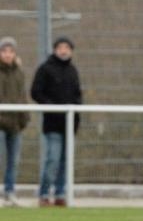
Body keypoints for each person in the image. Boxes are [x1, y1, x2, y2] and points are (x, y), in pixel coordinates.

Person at [31, 36, 82, 207]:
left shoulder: (73, 71)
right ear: (55, 49)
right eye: (60, 47)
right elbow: (36, 92)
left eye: (67, 47)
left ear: (71, 50)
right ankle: (44, 194)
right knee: (52, 160)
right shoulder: (45, 69)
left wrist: (76, 116)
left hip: (69, 125)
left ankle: (60, 194)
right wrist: (52, 107)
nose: (63, 50)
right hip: (52, 124)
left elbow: (77, 96)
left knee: (65, 162)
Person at [0, 37, 30, 207]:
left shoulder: (19, 72)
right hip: (0, 123)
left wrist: (24, 118)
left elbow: (22, 96)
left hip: (15, 123)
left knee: (13, 161)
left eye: (10, 51)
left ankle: (10, 193)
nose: (7, 54)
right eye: (4, 51)